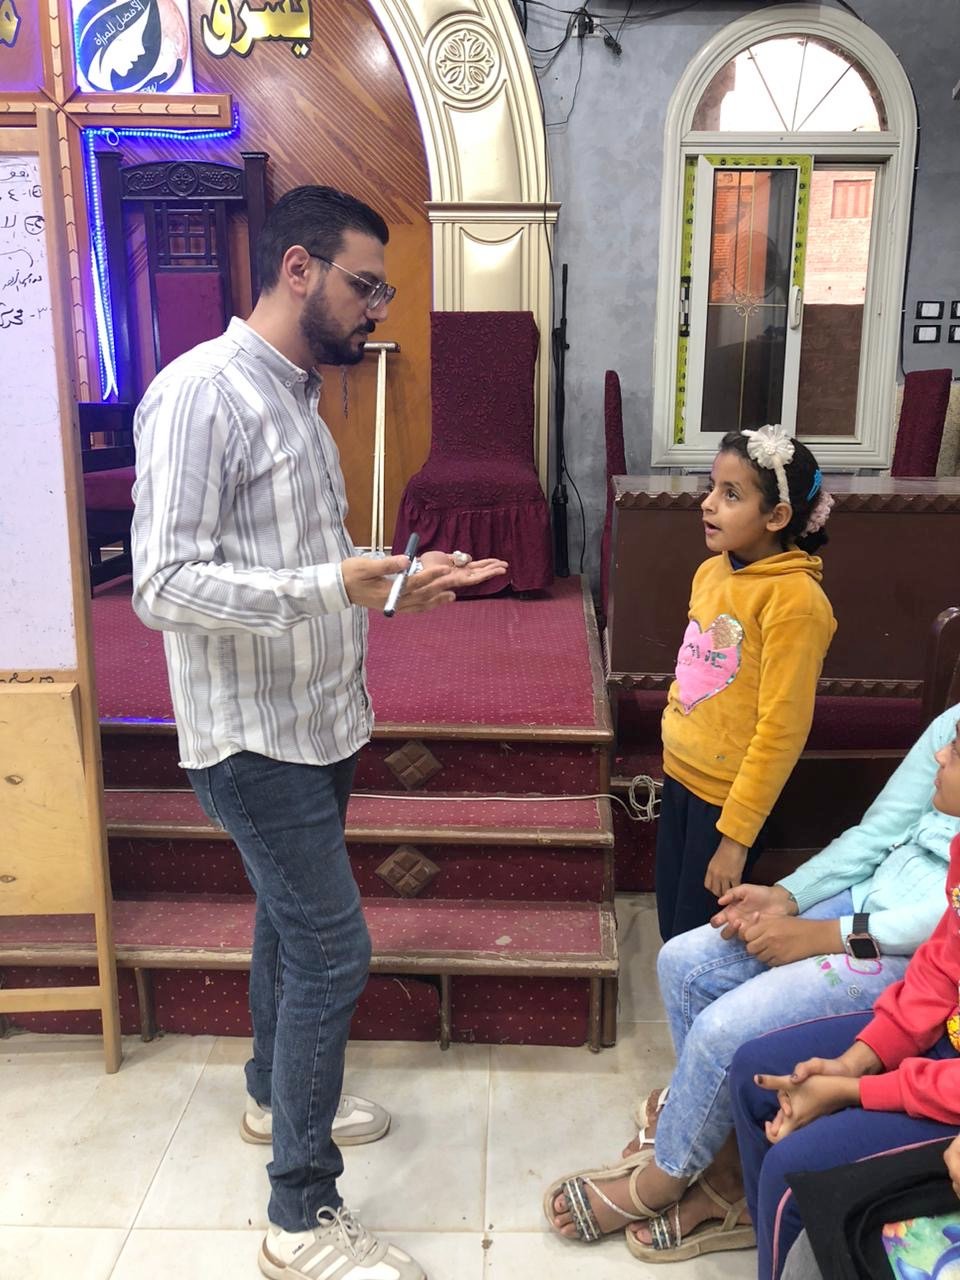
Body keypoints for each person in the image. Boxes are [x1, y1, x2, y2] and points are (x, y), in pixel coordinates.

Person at [131, 184, 508, 1280]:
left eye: (381, 289)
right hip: (250, 733)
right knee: (335, 947)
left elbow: (308, 553)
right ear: (298, 268)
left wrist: (394, 584)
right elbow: (162, 583)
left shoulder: (292, 392)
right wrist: (329, 582)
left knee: (289, 928)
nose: (376, 308)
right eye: (364, 284)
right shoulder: (200, 392)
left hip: (317, 716)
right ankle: (299, 1216)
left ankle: (268, 1093)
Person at [544, 700, 960, 1259]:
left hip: (897, 942)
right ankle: (713, 1151)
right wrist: (787, 896)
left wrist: (826, 935)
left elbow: (939, 931)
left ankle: (683, 1176)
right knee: (684, 961)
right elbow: (878, 833)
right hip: (871, 902)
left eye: (953, 752)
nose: (941, 752)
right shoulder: (952, 734)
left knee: (723, 1030)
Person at [729, 715, 960, 1277]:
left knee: (792, 1171)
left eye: (954, 751)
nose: (938, 758)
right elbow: (937, 974)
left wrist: (853, 1090)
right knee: (752, 1068)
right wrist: (852, 1060)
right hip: (942, 1048)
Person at [655, 425, 836, 941]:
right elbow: (694, 667)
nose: (708, 504)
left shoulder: (796, 602)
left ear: (776, 517)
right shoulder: (712, 572)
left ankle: (708, 1020)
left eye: (730, 495)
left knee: (699, 936)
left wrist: (735, 839)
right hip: (681, 776)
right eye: (711, 488)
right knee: (672, 919)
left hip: (727, 802)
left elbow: (783, 731)